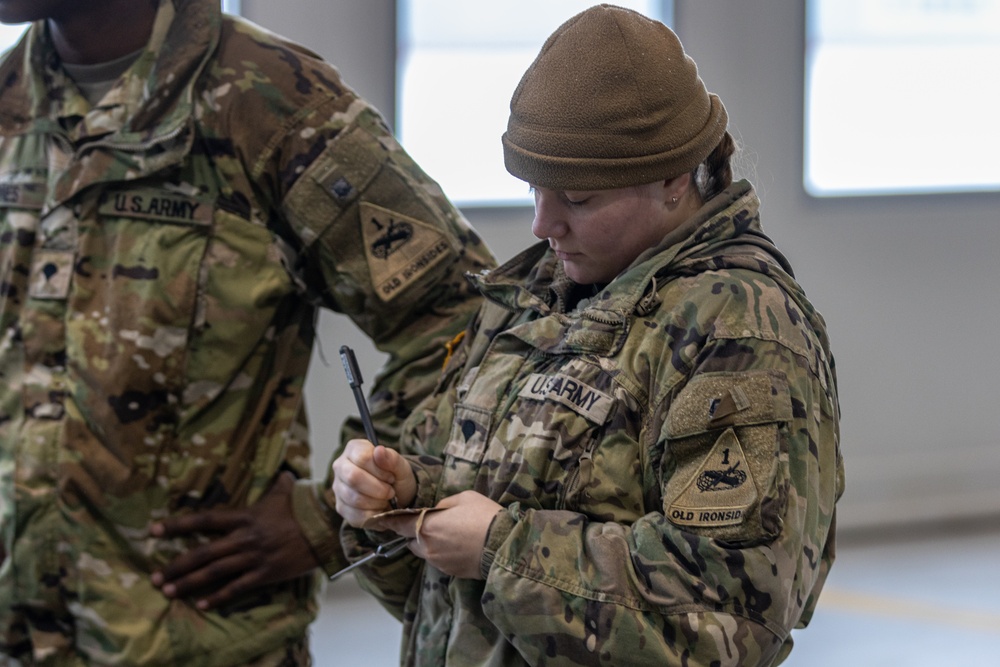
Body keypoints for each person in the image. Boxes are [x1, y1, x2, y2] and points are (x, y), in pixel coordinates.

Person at [332, 4, 844, 666]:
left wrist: (500, 547)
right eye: (536, 192)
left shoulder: (739, 330)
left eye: (577, 200)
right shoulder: (543, 295)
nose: (545, 225)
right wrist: (408, 493)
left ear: (673, 179)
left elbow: (725, 614)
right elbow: (489, 524)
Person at [0, 0, 496, 664]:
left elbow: (472, 318)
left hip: (189, 637)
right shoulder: (9, 101)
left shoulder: (271, 102)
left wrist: (328, 516)